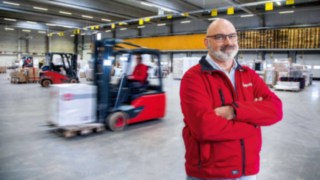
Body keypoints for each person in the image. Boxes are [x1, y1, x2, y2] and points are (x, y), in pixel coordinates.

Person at [180, 18, 283, 180]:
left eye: (232, 36)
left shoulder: (248, 74)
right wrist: (253, 125)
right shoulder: (194, 78)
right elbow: (204, 128)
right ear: (206, 42)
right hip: (211, 173)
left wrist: (234, 111)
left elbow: (276, 110)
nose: (228, 42)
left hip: (247, 171)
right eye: (220, 37)